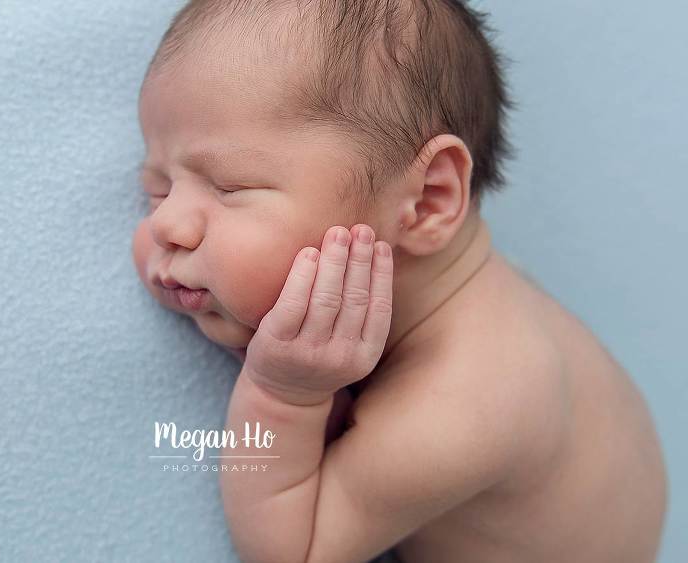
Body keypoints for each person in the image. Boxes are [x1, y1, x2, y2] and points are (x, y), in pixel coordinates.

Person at [131, 1, 668, 561]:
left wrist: (282, 394)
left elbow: (295, 551)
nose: (164, 224)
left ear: (427, 201)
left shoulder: (464, 402)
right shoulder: (453, 305)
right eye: (158, 189)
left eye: (229, 186)